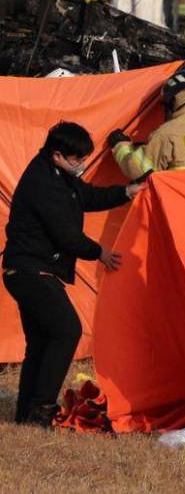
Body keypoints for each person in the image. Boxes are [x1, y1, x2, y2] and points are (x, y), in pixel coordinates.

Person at [4, 122, 134, 425]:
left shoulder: (60, 176)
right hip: (31, 271)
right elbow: (66, 235)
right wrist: (100, 253)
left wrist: (127, 192)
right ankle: (43, 408)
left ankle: (27, 413)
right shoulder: (42, 183)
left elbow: (88, 197)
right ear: (57, 155)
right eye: (77, 159)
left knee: (39, 342)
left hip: (28, 270)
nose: (82, 164)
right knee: (66, 331)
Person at [108, 69, 185, 178]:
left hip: (180, 202)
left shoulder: (168, 132)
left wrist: (121, 146)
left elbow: (139, 170)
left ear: (173, 101)